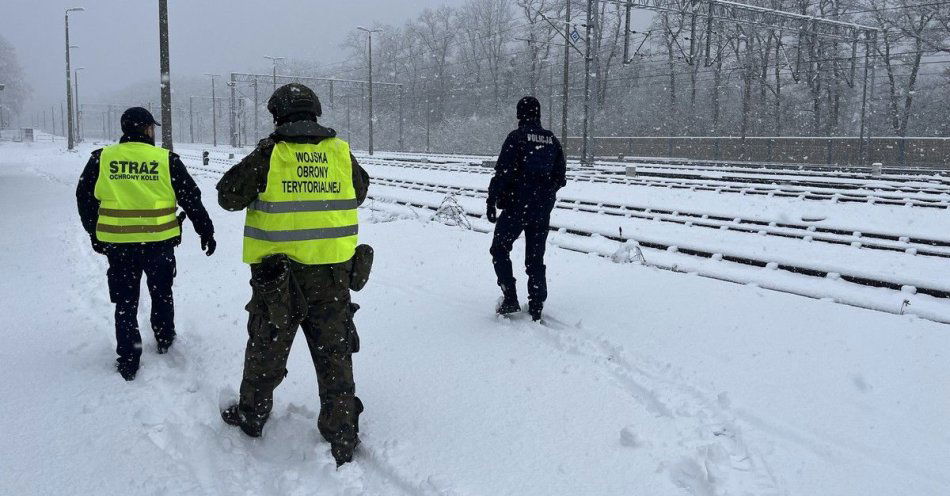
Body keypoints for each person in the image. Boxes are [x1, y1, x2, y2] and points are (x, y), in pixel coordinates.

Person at [216, 83, 372, 467]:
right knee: (334, 354)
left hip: (278, 280)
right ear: (315, 113)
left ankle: (252, 416)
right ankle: (341, 433)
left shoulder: (271, 155)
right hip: (332, 276)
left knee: (267, 347)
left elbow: (227, 196)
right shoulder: (340, 152)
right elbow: (360, 190)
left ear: (277, 116)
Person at [76, 107, 216, 381]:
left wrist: (95, 233)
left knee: (125, 302)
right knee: (161, 292)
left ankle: (129, 358)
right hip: (159, 243)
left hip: (119, 246)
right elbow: (191, 198)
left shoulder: (102, 159)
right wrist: (205, 230)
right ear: (147, 130)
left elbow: (85, 199)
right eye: (153, 128)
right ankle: (164, 338)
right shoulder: (165, 160)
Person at [486, 96, 567, 322]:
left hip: (516, 206)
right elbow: (561, 176)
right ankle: (537, 303)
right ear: (538, 114)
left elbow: (502, 173)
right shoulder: (552, 140)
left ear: (520, 115)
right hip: (541, 209)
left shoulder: (516, 138)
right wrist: (546, 192)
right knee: (535, 256)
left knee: (500, 248)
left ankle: (510, 296)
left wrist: (491, 200)